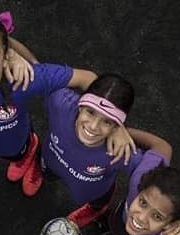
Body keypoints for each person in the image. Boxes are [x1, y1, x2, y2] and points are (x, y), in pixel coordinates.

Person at [0, 12, 129, 196]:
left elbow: (86, 78)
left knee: (17, 153)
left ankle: (23, 159)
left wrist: (116, 124)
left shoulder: (27, 78)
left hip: (12, 143)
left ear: (6, 57)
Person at [40, 73, 171, 226]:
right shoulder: (59, 103)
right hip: (50, 162)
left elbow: (161, 157)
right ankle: (38, 170)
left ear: (117, 126)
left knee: (98, 202)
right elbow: (36, 73)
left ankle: (94, 209)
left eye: (107, 122)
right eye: (90, 112)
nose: (93, 126)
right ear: (80, 105)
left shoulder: (121, 151)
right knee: (47, 174)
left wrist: (127, 132)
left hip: (93, 192)